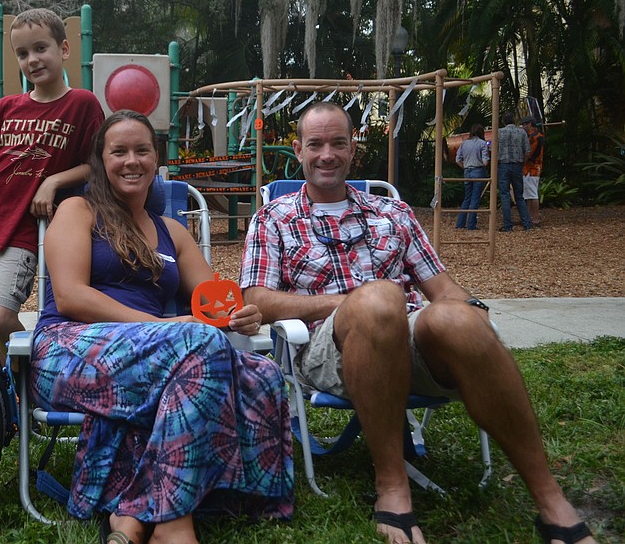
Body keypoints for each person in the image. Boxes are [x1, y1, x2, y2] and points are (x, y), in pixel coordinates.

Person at [240, 102, 595, 544]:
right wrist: (349, 301)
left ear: (354, 149)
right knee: (380, 298)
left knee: (456, 319)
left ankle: (551, 502)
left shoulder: (394, 213)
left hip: (408, 339)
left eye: (337, 143)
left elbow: (443, 289)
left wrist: (472, 316)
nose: (326, 154)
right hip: (328, 350)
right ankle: (392, 485)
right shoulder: (273, 218)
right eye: (315, 144)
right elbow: (256, 297)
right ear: (298, 150)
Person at [30, 110, 294, 544]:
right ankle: (173, 523)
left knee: (261, 372)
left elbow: (216, 304)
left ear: (156, 160)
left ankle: (131, 517)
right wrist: (158, 326)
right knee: (196, 344)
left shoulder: (173, 230)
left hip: (153, 353)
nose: (131, 160)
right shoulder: (78, 210)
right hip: (69, 346)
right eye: (119, 151)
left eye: (142, 150)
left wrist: (242, 313)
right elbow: (71, 296)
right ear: (101, 160)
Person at [0, 8, 104, 364]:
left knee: (1, 316)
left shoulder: (81, 104)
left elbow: (96, 165)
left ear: (63, 49)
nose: (32, 59)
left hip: (23, 229)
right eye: (22, 53)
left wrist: (53, 180)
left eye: (40, 48)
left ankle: (48, 368)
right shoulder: (4, 108)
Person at [497, 112, 532, 232]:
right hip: (517, 164)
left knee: (505, 195)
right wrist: (522, 162)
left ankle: (507, 225)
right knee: (519, 195)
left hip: (503, 165)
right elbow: (527, 151)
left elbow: (493, 149)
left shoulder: (499, 132)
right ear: (514, 120)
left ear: (503, 122)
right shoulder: (522, 132)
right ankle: (526, 224)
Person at [454, 123, 490, 230]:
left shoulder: (464, 143)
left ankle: (460, 223)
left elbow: (457, 159)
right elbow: (485, 162)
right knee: (475, 198)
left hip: (467, 171)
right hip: (478, 171)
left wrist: (465, 166)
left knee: (467, 198)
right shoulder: (483, 143)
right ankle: (471, 224)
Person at [522, 115, 545, 227]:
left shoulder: (535, 137)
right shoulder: (534, 136)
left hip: (532, 168)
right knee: (529, 194)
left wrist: (523, 159)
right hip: (530, 169)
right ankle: (529, 216)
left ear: (529, 125)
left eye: (524, 125)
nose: (523, 127)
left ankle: (535, 218)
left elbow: (530, 154)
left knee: (532, 194)